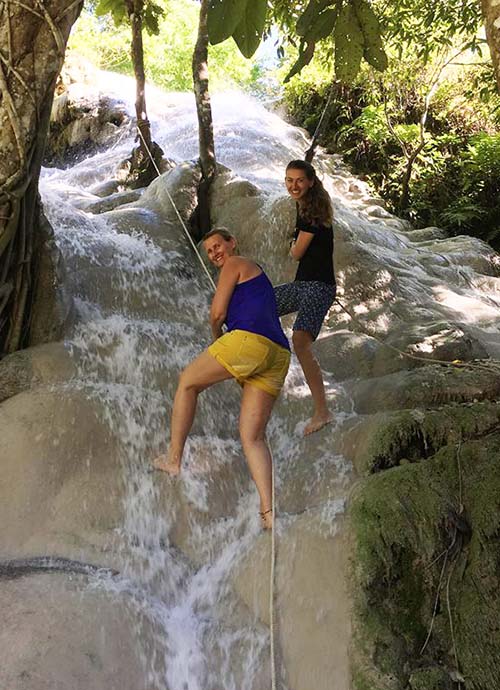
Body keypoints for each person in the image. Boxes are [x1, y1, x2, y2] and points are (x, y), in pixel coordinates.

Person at [153, 228, 290, 530]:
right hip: (278, 354)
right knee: (252, 437)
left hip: (249, 342)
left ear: (232, 242)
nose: (215, 254)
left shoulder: (235, 264)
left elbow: (217, 313)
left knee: (188, 382)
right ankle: (268, 513)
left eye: (218, 246)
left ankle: (174, 459)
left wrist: (217, 339)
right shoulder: (255, 274)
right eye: (210, 252)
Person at [274, 159, 336, 436]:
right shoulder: (307, 207)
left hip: (319, 286)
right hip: (305, 285)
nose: (293, 185)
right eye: (289, 180)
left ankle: (322, 411)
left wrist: (292, 243)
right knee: (261, 304)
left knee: (300, 341)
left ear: (311, 181)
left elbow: (296, 253)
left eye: (299, 180)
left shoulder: (312, 214)